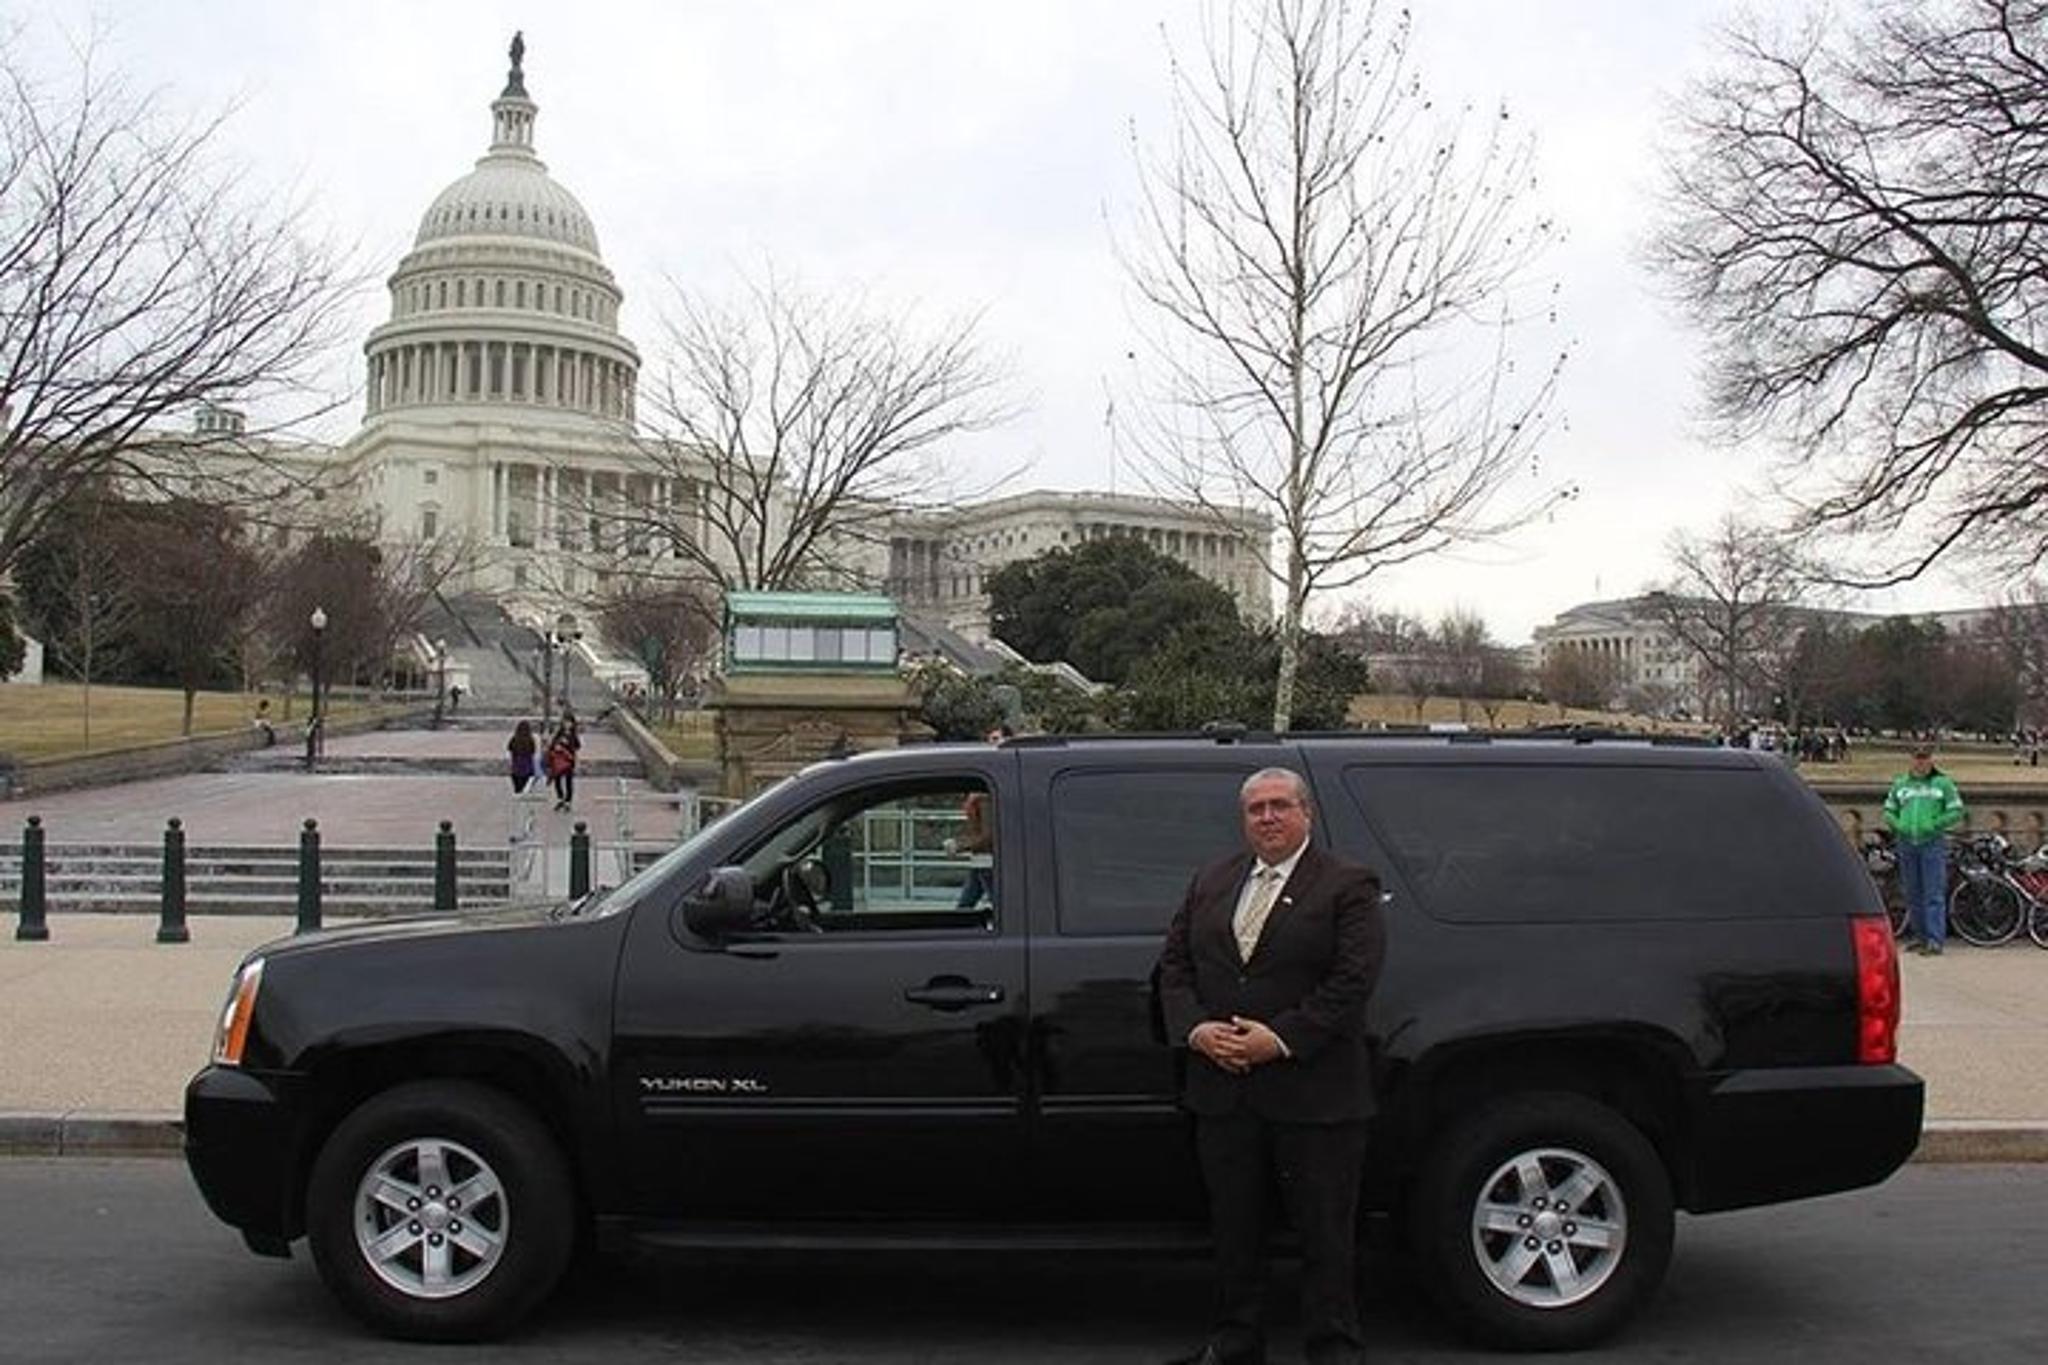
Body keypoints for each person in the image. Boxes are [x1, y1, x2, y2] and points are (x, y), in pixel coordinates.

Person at [1156, 767, 1387, 1365]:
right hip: (1224, 1092)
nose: (1266, 817)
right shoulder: (1212, 880)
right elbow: (1175, 967)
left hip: (1315, 1094)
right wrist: (1197, 1029)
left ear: (1305, 813)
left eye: (1279, 805)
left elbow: (1353, 980)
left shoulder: (1347, 885)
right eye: (1255, 808)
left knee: (1325, 1234)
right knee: (1234, 1230)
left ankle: (1333, 1345)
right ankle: (1236, 1339)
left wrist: (1279, 1040)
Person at [1883, 742, 1966, 955]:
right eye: (1917, 758)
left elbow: (1956, 810)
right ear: (1911, 760)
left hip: (1932, 842)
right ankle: (1920, 937)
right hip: (1906, 842)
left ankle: (1935, 940)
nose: (1921, 762)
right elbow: (1888, 810)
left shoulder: (1943, 784)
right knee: (1912, 892)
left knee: (1933, 893)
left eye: (1924, 758)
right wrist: (1898, 824)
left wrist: (1936, 824)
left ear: (1931, 760)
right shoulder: (1900, 784)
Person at [545, 717, 581, 811]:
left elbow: (577, 746)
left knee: (568, 781)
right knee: (557, 780)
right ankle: (560, 799)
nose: (568, 725)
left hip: (569, 761)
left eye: (570, 723)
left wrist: (568, 743)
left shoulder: (573, 735)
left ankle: (568, 801)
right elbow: (552, 745)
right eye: (566, 722)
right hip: (558, 761)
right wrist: (556, 746)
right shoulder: (558, 734)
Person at [506, 720, 537, 794]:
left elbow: (509, 749)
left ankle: (518, 792)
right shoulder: (530, 740)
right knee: (525, 784)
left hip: (516, 766)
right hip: (527, 766)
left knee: (517, 786)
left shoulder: (514, 739)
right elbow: (533, 751)